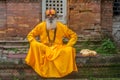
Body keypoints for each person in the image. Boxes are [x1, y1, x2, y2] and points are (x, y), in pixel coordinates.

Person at [25, 9, 78, 78]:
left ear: (56, 16)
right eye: (48, 15)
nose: (50, 16)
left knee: (69, 49)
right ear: (46, 17)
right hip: (44, 48)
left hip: (58, 49)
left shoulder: (61, 26)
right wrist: (37, 43)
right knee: (34, 44)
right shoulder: (41, 25)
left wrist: (68, 45)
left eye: (52, 15)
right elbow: (30, 35)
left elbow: (73, 35)